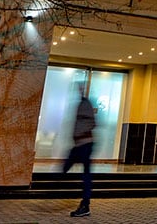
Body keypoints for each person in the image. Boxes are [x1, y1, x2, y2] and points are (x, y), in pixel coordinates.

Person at [63, 84, 96, 218]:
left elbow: (92, 123)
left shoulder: (86, 104)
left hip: (84, 145)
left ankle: (85, 205)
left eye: (82, 88)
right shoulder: (81, 104)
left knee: (85, 174)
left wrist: (81, 135)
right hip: (80, 145)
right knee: (68, 168)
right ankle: (84, 203)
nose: (79, 90)